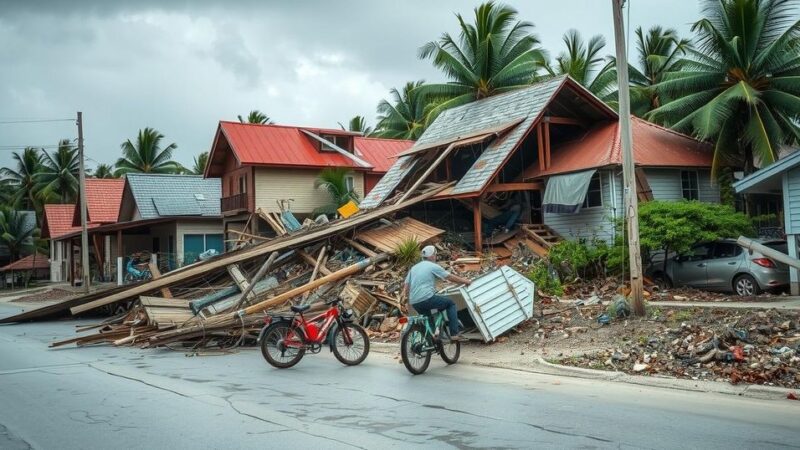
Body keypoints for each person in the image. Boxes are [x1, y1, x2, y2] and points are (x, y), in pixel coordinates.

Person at [402, 245, 471, 341]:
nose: (435, 257)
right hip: (427, 298)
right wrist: (465, 281)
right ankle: (454, 333)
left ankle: (432, 340)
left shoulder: (413, 268)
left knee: (428, 317)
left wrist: (411, 297)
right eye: (435, 255)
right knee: (450, 304)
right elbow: (449, 277)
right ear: (432, 256)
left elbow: (406, 287)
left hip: (414, 302)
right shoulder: (433, 266)